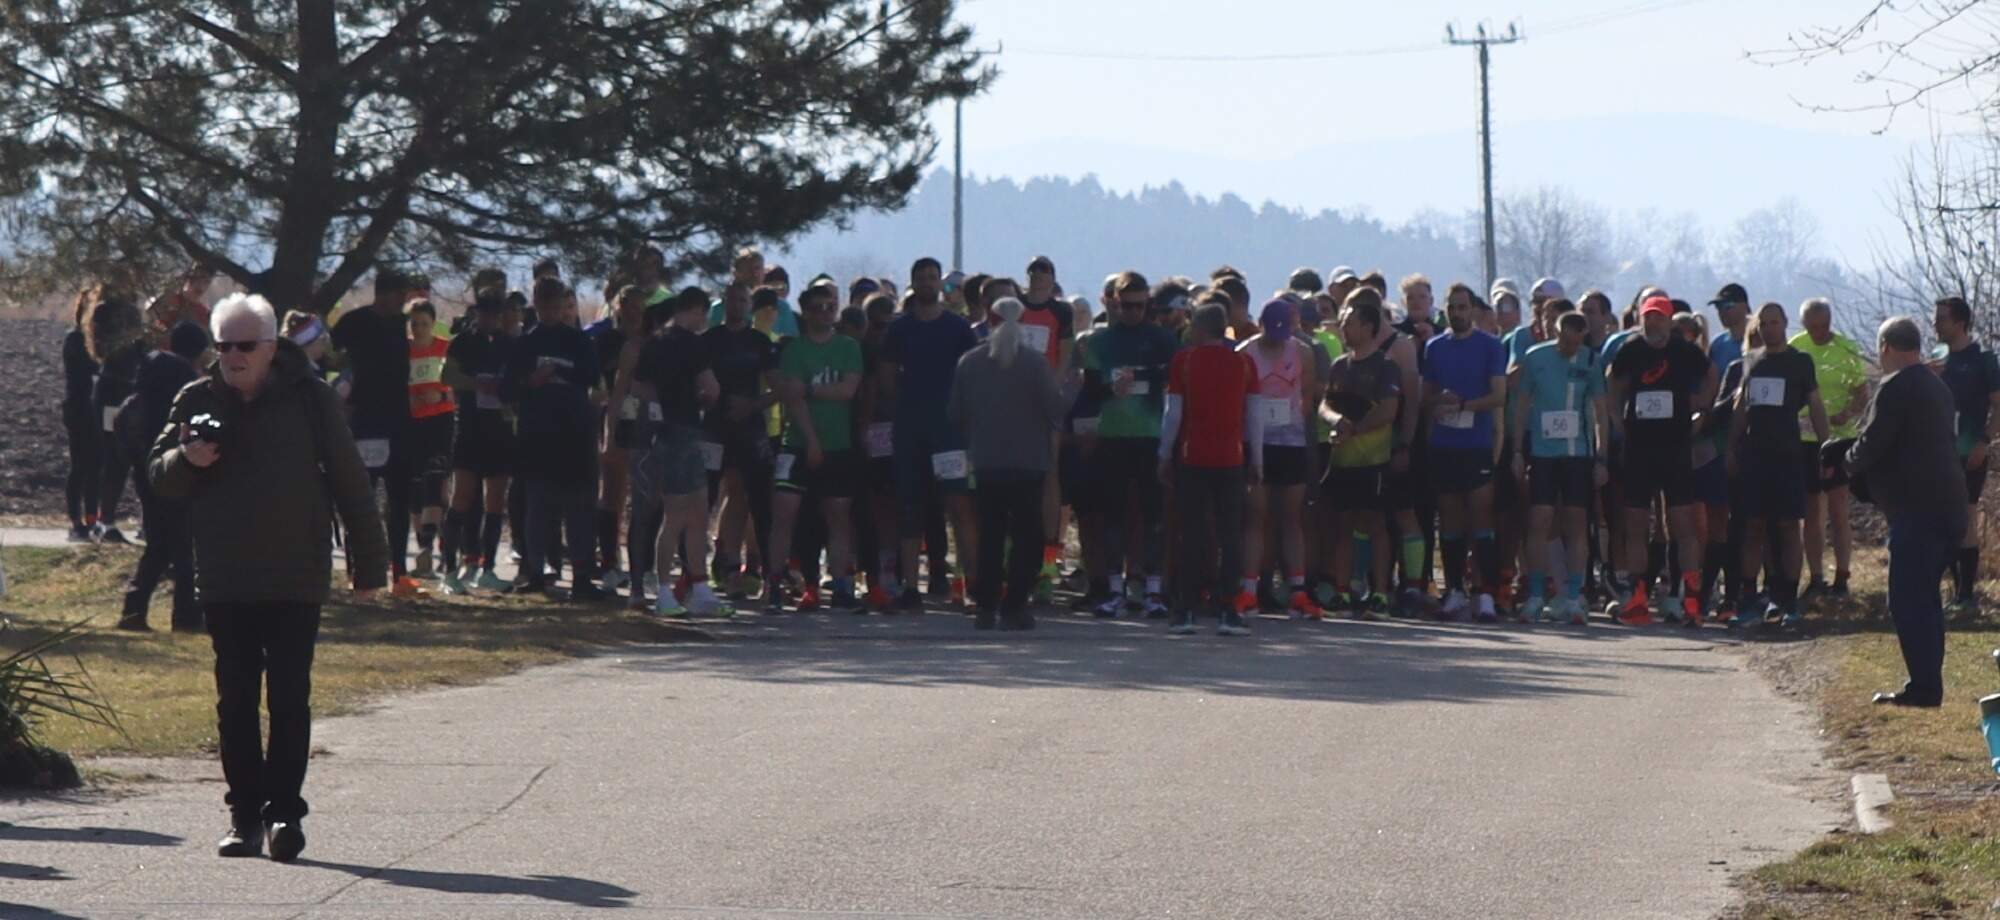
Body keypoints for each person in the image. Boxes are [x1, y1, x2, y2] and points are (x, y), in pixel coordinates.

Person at [148, 292, 389, 862]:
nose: (233, 356)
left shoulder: (311, 398)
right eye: (224, 345)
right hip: (225, 574)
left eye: (245, 346)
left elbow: (351, 480)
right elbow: (158, 476)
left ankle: (284, 814)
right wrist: (187, 459)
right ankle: (243, 817)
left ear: (271, 347)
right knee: (234, 701)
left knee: (288, 697)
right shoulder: (196, 398)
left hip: (295, 572)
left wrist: (368, 565)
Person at [1846, 316, 1969, 708]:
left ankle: (1924, 688)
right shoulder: (1936, 385)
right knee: (1925, 598)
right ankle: (1927, 684)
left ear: (1885, 347)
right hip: (1948, 506)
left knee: (1907, 600)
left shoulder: (1896, 386)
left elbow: (1873, 442)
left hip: (1919, 510)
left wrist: (1845, 460)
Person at [948, 297, 1068, 630]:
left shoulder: (970, 363)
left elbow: (955, 414)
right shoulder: (1035, 364)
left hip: (987, 462)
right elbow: (1055, 409)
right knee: (1028, 536)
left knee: (990, 535)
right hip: (1030, 462)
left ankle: (986, 605)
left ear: (990, 320)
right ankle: (1015, 605)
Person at [615, 286, 729, 617]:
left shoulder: (652, 344)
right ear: (696, 310)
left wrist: (640, 421)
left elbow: (636, 390)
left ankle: (696, 587)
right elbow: (712, 389)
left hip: (657, 435)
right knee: (681, 515)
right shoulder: (693, 344)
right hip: (684, 431)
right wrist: (698, 399)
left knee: (689, 514)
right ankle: (665, 590)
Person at [1606, 295, 1717, 625]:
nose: (1652, 322)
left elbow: (1712, 374)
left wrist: (1701, 404)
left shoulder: (1684, 350)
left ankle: (1692, 600)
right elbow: (1613, 382)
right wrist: (1617, 419)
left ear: (1669, 320)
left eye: (1658, 317)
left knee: (1682, 523)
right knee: (1636, 524)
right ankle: (1638, 599)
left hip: (1676, 447)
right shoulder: (1631, 349)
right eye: (1647, 317)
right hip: (1639, 448)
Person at [1160, 297, 1263, 637]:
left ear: (1199, 328)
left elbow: (1173, 414)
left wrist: (1164, 454)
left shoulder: (1184, 361)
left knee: (1191, 534)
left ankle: (1185, 610)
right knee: (1230, 536)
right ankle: (1228, 611)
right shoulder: (1245, 364)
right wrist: (1257, 459)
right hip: (1231, 459)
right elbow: (1255, 417)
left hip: (1193, 458)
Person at [882, 257, 981, 610]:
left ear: (940, 283)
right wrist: (903, 407)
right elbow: (887, 375)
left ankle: (973, 587)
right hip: (910, 431)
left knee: (959, 507)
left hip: (949, 432)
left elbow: (972, 376)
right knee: (910, 509)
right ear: (913, 282)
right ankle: (911, 588)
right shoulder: (900, 329)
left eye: (932, 277)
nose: (927, 282)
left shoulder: (958, 328)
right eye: (921, 277)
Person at [1081, 271, 1180, 619]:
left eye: (1139, 306)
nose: (1133, 313)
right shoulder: (1100, 342)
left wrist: (1149, 378)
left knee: (1153, 516)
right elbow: (1089, 391)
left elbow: (1175, 382)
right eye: (1127, 306)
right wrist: (1112, 389)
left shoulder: (1163, 340)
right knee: (1113, 516)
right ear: (1114, 303)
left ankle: (1153, 590)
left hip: (1151, 437)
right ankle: (1114, 589)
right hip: (1113, 437)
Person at [1726, 303, 1830, 629]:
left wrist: (1827, 447)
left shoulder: (1800, 362)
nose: (1770, 328)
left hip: (1788, 456)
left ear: (1785, 324)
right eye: (1764, 323)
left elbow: (1815, 405)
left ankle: (1788, 599)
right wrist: (1730, 447)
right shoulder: (1751, 361)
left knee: (1788, 526)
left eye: (1775, 322)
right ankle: (1749, 598)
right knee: (1753, 526)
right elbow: (1741, 407)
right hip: (1754, 457)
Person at [765, 280, 864, 612]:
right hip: (797, 443)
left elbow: (847, 390)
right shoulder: (795, 350)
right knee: (784, 512)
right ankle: (775, 583)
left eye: (830, 308)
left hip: (838, 444)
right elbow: (792, 399)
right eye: (818, 308)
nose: (825, 313)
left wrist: (809, 389)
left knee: (838, 516)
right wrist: (811, 442)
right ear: (805, 313)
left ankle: (841, 586)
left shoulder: (848, 347)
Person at [502, 276, 603, 600]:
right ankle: (535, 571)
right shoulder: (526, 344)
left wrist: (560, 372)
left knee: (579, 508)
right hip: (537, 435)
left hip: (575, 434)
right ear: (536, 305)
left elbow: (592, 376)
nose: (551, 311)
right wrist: (531, 380)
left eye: (556, 305)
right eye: (545, 305)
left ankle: (582, 577)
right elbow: (507, 389)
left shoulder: (578, 341)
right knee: (538, 507)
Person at [1512, 306, 1608, 625]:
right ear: (1556, 332)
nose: (1571, 346)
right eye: (1566, 340)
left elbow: (1600, 411)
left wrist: (1601, 456)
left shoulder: (1591, 360)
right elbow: (1522, 404)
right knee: (1539, 519)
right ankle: (1537, 594)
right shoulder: (1535, 357)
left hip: (1577, 454)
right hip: (1543, 454)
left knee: (1576, 522)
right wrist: (1517, 451)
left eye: (1577, 340)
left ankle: (1574, 596)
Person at [1423, 283, 1510, 621]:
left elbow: (1499, 395)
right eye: (1452, 307)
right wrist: (1438, 402)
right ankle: (1455, 589)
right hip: (1445, 444)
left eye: (1462, 307)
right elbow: (1426, 396)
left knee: (1481, 517)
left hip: (1477, 444)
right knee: (1450, 519)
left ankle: (1485, 592)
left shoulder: (1490, 346)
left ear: (1472, 310)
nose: (1457, 313)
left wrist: (1464, 405)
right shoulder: (1434, 347)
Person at [118, 320, 210, 632]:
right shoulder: (187, 383)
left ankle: (134, 610)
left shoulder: (148, 375)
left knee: (159, 543)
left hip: (146, 471)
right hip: (176, 471)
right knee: (184, 546)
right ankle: (186, 616)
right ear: (199, 350)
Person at [331, 270, 418, 594]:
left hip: (399, 423)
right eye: (400, 294)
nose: (403, 301)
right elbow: (329, 358)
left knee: (399, 501)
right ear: (383, 294)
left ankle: (399, 572)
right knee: (360, 498)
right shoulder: (353, 323)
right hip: (364, 424)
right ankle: (357, 571)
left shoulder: (402, 324)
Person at [1318, 289, 1402, 619]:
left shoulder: (1386, 366)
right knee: (1343, 525)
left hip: (1373, 460)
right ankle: (1342, 592)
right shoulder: (1339, 365)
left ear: (1368, 326)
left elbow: (1389, 410)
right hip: (1343, 460)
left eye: (1349, 322)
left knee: (1376, 525)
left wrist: (1357, 428)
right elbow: (1325, 404)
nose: (1343, 327)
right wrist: (1335, 421)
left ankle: (1380, 593)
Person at [1239, 297, 1321, 619]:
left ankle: (1298, 590)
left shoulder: (1302, 352)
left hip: (1291, 443)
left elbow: (1308, 397)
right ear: (1260, 325)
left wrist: (1292, 421)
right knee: (1255, 516)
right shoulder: (1245, 353)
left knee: (1291, 517)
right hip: (1256, 442)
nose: (1277, 339)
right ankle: (1249, 590)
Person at [702, 281, 782, 604]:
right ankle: (721, 573)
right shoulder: (708, 340)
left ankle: (771, 580)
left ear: (750, 305)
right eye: (732, 299)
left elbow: (778, 388)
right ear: (724, 303)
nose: (737, 305)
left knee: (761, 505)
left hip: (751, 432)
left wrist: (752, 405)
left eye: (743, 300)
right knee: (705, 500)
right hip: (713, 431)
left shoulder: (759, 342)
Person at [438, 291, 516, 595]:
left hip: (499, 429)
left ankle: (487, 568)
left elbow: (517, 381)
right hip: (470, 427)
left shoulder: (509, 345)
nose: (490, 319)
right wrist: (475, 383)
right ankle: (449, 570)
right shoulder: (462, 342)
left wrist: (504, 390)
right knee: (462, 497)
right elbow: (446, 375)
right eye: (485, 314)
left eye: (495, 314)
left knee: (495, 500)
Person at [1793, 297, 1869, 598]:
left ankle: (1842, 576)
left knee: (1838, 510)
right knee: (1813, 511)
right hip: (1806, 440)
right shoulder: (1796, 348)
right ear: (1803, 325)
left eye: (1824, 326)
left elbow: (1862, 392)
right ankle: (1816, 577)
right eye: (1813, 327)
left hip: (1839, 439)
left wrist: (1847, 413)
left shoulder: (1846, 348)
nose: (1819, 332)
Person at [1931, 295, 2000, 618]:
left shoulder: (1983, 359)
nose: (1935, 324)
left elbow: (1998, 406)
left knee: (1966, 515)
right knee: (1943, 517)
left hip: (1970, 449)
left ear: (1959, 322)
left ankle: (1966, 595)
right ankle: (1951, 590)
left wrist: (1984, 442)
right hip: (1938, 451)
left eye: (1941, 319)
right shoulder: (1937, 357)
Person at [1021, 255, 1077, 598]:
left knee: (1050, 472)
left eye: (1045, 271)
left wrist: (1050, 392)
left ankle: (1049, 557)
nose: (1039, 276)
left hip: (1046, 401)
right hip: (1014, 403)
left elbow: (1065, 355)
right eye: (1035, 271)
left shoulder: (1061, 312)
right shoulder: (1015, 307)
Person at [88, 293, 148, 544]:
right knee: (115, 457)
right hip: (111, 392)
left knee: (139, 457)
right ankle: (105, 520)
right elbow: (103, 349)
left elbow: (142, 350)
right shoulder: (104, 311)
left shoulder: (134, 312)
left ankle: (145, 521)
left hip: (131, 391)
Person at [402, 299, 456, 579]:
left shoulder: (444, 348)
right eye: (414, 324)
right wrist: (407, 399)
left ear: (433, 324)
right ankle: (425, 547)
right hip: (411, 424)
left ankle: (430, 548)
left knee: (435, 481)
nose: (419, 329)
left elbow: (458, 386)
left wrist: (441, 395)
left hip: (439, 422)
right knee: (415, 487)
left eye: (424, 323)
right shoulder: (403, 351)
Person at [62, 287, 103, 543]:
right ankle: (76, 521)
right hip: (78, 408)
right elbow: (88, 367)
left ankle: (91, 518)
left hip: (94, 408)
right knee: (80, 465)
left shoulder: (96, 340)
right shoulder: (75, 339)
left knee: (95, 466)